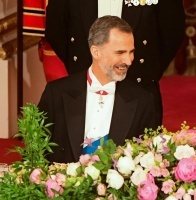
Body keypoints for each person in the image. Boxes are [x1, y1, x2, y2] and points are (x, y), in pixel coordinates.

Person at [45, 0, 186, 126]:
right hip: (83, 88)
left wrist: (146, 72)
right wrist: (83, 69)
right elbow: (55, 30)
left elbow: (172, 31)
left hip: (139, 87)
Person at [38, 16, 158, 163]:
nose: (128, 60)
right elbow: (37, 151)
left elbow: (147, 160)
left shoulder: (143, 100)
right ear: (96, 52)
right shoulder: (56, 93)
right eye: (120, 53)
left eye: (131, 52)